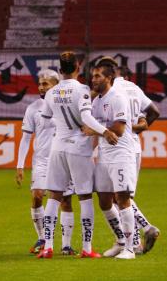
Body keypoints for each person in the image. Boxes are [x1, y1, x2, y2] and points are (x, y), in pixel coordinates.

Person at [37, 51, 118, 259]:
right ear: (77, 68)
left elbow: (45, 120)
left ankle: (47, 247)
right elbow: (86, 117)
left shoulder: (51, 93)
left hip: (57, 147)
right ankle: (87, 248)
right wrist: (104, 131)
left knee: (54, 196)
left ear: (60, 70)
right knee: (84, 196)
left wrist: (62, 124)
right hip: (78, 148)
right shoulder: (82, 89)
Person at [15, 69, 77, 256]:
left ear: (56, 85)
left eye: (46, 84)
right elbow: (26, 138)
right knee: (37, 196)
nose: (41, 87)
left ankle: (66, 245)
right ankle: (43, 237)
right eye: (40, 84)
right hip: (41, 160)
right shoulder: (32, 108)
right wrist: (20, 165)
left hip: (63, 158)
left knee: (65, 200)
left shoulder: (67, 105)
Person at [103, 58, 161, 255]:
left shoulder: (114, 90)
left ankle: (144, 230)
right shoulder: (135, 88)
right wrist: (137, 130)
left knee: (120, 197)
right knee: (123, 196)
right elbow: (154, 112)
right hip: (134, 147)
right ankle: (134, 243)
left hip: (118, 146)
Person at [85, 58, 138, 259]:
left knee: (123, 199)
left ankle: (131, 249)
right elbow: (99, 130)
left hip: (121, 155)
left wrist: (94, 130)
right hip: (105, 156)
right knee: (104, 201)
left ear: (109, 78)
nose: (94, 79)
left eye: (98, 76)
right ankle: (120, 241)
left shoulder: (117, 97)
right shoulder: (97, 100)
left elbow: (119, 128)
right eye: (93, 76)